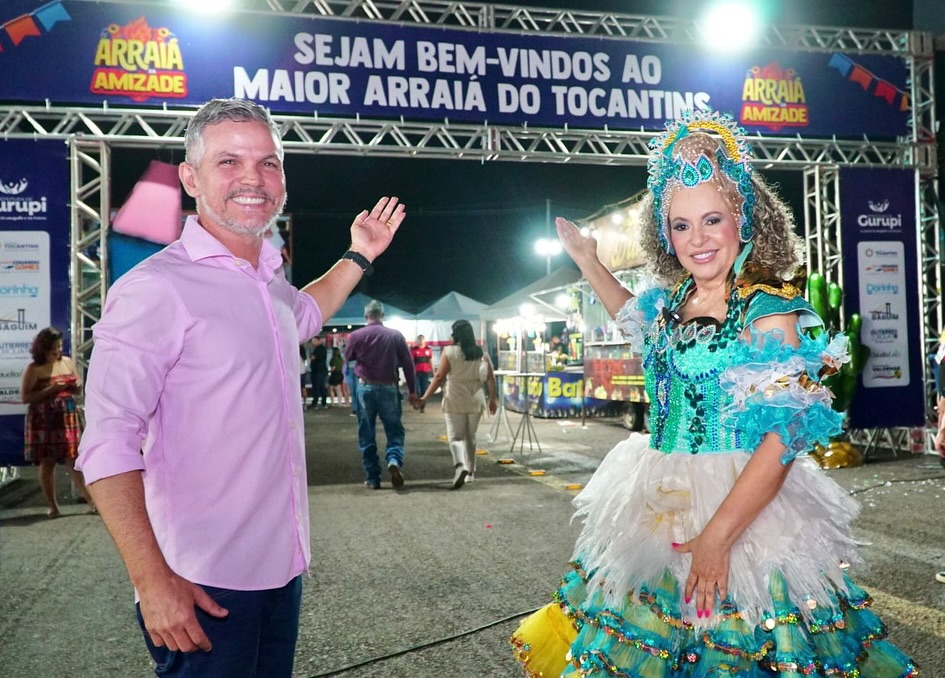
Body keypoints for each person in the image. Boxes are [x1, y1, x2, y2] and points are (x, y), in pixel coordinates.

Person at [510, 109, 917, 676]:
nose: (697, 239)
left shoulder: (768, 310)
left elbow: (782, 438)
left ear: (743, 220)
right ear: (664, 233)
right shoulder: (676, 300)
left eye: (712, 220)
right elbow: (634, 318)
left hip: (741, 512)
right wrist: (588, 261)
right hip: (657, 498)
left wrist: (718, 538)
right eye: (681, 225)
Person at [75, 97, 406, 677]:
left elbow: (306, 313)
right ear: (190, 178)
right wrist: (151, 581)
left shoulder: (268, 282)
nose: (253, 178)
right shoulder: (157, 288)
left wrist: (360, 254)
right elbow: (107, 443)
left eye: (268, 163)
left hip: (280, 568)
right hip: (203, 580)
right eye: (229, 161)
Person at [20, 327, 95, 518]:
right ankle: (52, 506)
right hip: (44, 418)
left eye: (59, 347)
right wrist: (52, 389)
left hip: (66, 415)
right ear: (43, 349)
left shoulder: (67, 362)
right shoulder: (33, 369)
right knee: (48, 461)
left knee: (73, 458)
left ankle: (92, 501)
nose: (58, 351)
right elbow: (26, 397)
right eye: (54, 348)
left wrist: (76, 386)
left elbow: (78, 389)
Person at [344, 300, 419, 489]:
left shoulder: (356, 335)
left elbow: (348, 357)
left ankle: (372, 478)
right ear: (382, 316)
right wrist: (412, 391)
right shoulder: (395, 336)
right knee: (394, 429)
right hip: (389, 387)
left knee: (366, 431)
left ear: (366, 316)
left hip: (365, 387)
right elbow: (408, 364)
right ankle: (393, 459)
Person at [418, 320, 497, 489]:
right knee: (470, 436)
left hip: (455, 397)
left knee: (455, 437)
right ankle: (471, 472)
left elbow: (439, 377)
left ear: (455, 334)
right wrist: (492, 399)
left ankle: (460, 466)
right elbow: (491, 377)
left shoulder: (449, 352)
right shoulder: (481, 353)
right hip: (476, 398)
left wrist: (425, 398)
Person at [410, 334, 433, 413]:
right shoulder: (414, 350)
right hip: (416, 373)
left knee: (424, 390)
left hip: (425, 373)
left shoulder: (428, 350)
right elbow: (411, 362)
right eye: (419, 340)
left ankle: (422, 407)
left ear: (424, 340)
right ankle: (416, 403)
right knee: (417, 390)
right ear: (417, 341)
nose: (420, 341)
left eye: (422, 340)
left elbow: (430, 361)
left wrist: (433, 371)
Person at [309, 335, 329, 409]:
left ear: (318, 341)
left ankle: (317, 402)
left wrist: (312, 356)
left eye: (314, 341)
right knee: (319, 386)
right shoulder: (318, 349)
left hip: (319, 371)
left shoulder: (320, 349)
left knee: (318, 386)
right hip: (317, 371)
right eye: (312, 341)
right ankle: (322, 402)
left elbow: (313, 357)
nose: (313, 343)